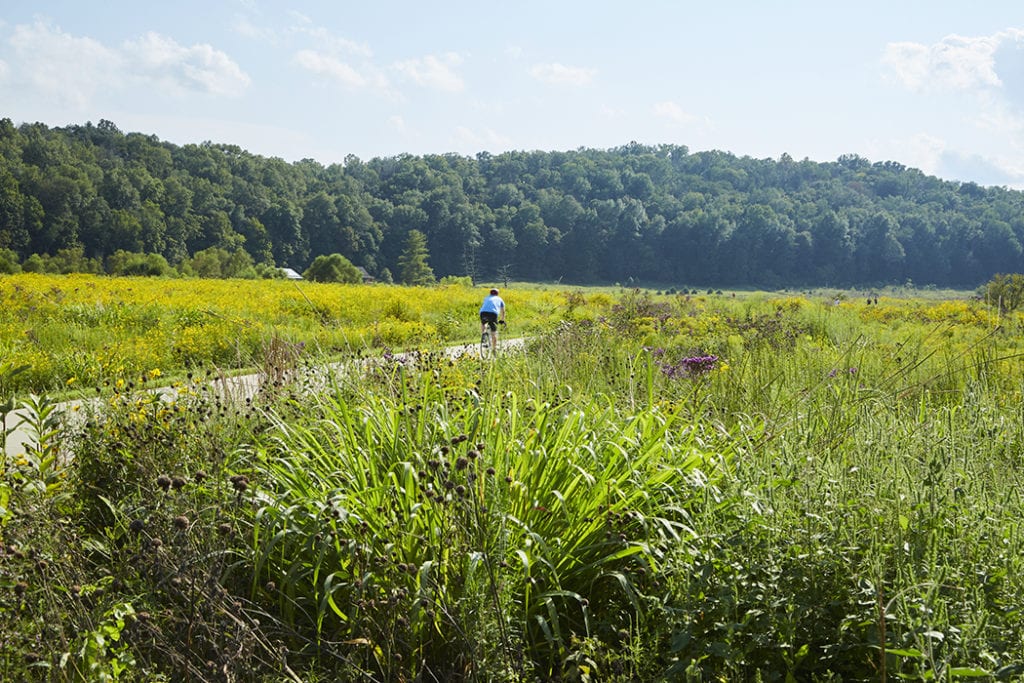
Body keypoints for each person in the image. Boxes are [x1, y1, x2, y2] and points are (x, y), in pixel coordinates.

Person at [479, 288, 506, 352]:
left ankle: (483, 334)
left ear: (490, 293)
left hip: (483, 312)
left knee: (483, 323)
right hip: (493, 314)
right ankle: (494, 349)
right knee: (494, 332)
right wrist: (502, 320)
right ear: (497, 293)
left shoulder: (486, 298)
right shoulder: (500, 299)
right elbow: (503, 311)